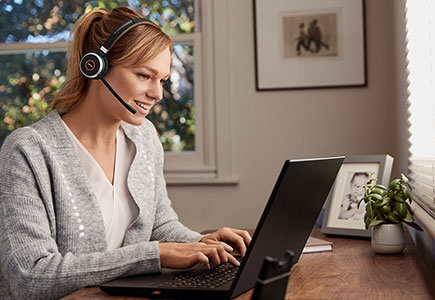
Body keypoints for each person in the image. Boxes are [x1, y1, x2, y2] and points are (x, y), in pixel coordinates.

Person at [0, 7, 251, 300]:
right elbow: (31, 276)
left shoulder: (144, 138)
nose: (157, 93)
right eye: (145, 75)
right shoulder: (27, 151)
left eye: (163, 80)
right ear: (95, 67)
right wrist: (152, 255)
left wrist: (202, 246)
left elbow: (159, 225)